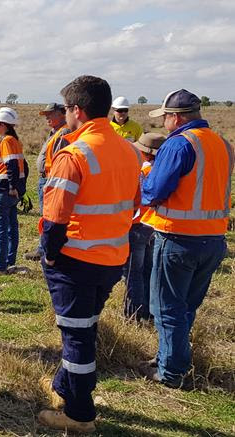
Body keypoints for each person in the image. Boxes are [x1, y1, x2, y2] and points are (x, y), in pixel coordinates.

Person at [37, 75, 141, 433]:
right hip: (113, 257)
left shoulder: (74, 154)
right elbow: (135, 206)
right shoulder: (130, 151)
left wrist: (50, 255)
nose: (65, 116)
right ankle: (64, 388)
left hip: (75, 261)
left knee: (77, 336)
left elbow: (54, 217)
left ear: (77, 111)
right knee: (84, 327)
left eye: (66, 109)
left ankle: (80, 415)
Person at [138, 89, 233, 388]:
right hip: (214, 240)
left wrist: (142, 180)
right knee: (186, 306)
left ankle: (171, 372)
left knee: (166, 307)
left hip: (178, 238)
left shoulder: (178, 144)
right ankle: (169, 355)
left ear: (175, 117)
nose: (163, 122)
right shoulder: (223, 144)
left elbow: (154, 191)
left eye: (164, 116)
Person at [123, 133, 165, 322]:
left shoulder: (143, 170)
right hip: (153, 225)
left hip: (137, 225)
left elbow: (133, 198)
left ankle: (133, 314)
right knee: (148, 270)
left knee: (133, 272)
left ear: (147, 153)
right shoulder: (163, 170)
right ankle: (148, 311)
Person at [25, 103, 71, 260]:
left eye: (51, 114)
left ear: (62, 114)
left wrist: (51, 182)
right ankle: (44, 247)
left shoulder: (63, 132)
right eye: (46, 115)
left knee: (49, 216)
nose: (47, 117)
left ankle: (46, 249)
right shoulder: (56, 132)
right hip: (47, 178)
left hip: (50, 179)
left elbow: (60, 161)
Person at [0, 107, 25, 275]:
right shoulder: (16, 141)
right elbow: (24, 166)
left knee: (1, 229)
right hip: (12, 191)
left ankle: (0, 265)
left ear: (4, 125)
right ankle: (9, 260)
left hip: (3, 190)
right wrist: (19, 188)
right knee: (12, 227)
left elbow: (10, 166)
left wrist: (11, 187)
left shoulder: (6, 142)